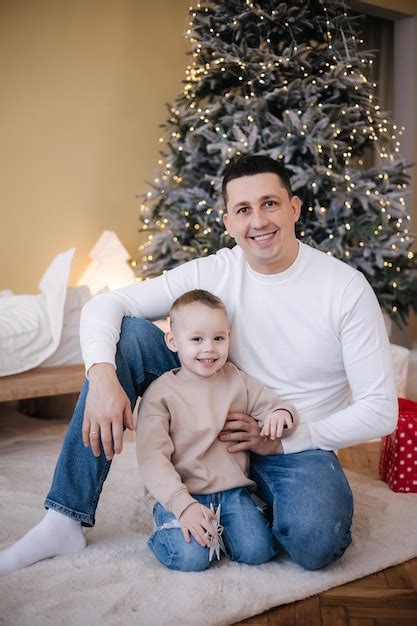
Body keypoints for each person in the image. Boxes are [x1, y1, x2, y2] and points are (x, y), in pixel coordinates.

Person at [0, 154, 397, 574]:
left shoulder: (345, 289)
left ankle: (250, 504)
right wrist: (101, 375)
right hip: (212, 408)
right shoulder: (217, 270)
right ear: (227, 222)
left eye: (270, 204)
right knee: (130, 335)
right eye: (243, 210)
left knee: (318, 544)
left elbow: (380, 410)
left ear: (294, 208)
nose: (258, 221)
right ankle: (64, 518)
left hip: (293, 440)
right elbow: (108, 303)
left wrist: (284, 440)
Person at [137, 289, 298, 571]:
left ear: (228, 338)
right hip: (183, 491)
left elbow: (274, 404)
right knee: (190, 558)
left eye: (218, 338)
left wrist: (280, 414)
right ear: (173, 341)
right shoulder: (160, 394)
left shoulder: (236, 379)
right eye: (197, 339)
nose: (209, 348)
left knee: (258, 551)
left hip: (231, 491)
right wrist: (181, 504)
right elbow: (152, 457)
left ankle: (221, 534)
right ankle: (166, 524)